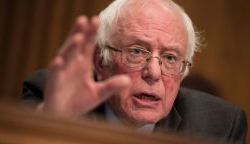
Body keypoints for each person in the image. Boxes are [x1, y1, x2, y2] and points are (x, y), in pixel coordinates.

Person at [21, 0, 247, 143]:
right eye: (137, 51)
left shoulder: (220, 126)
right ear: (101, 61)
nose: (154, 72)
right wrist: (54, 119)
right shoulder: (52, 95)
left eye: (170, 57)